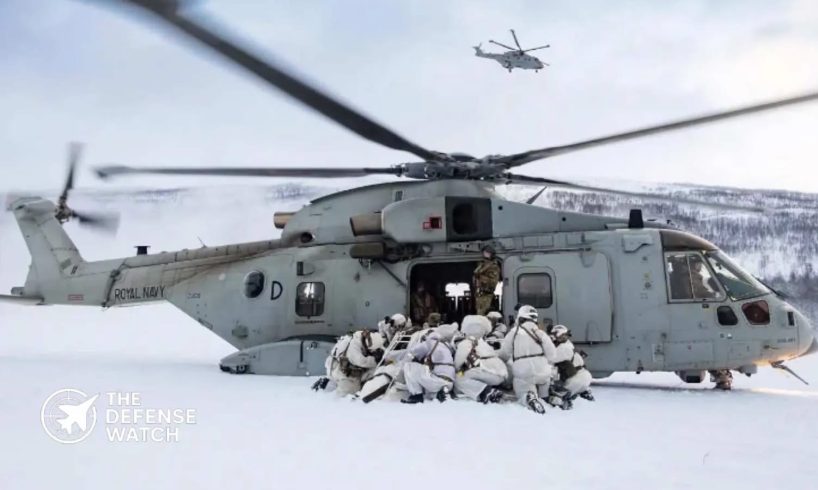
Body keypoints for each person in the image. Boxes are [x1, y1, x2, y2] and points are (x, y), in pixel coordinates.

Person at [499, 305, 556, 414]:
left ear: (520, 317)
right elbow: (552, 354)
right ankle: (546, 397)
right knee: (544, 381)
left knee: (522, 389)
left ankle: (529, 397)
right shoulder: (541, 333)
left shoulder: (513, 333)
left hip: (523, 372)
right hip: (542, 371)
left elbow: (504, 353)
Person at [453, 315, 508, 403]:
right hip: (500, 374)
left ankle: (486, 392)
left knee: (458, 378)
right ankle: (488, 388)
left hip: (487, 371)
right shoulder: (483, 342)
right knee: (469, 373)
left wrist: (456, 371)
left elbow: (458, 363)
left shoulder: (466, 342)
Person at [401, 323, 457, 404]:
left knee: (409, 366)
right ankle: (438, 394)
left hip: (437, 381)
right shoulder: (446, 345)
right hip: (450, 383)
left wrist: (407, 360)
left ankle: (416, 395)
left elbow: (412, 352)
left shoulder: (429, 342)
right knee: (428, 385)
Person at [326, 330, 386, 396]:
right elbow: (362, 361)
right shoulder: (354, 347)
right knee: (349, 393)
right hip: (343, 373)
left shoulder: (361, 338)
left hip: (348, 368)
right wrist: (376, 360)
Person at [549, 325, 592, 408]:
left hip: (576, 380)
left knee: (554, 395)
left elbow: (549, 359)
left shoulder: (563, 348)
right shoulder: (569, 345)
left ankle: (562, 402)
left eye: (554, 335)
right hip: (585, 377)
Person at [473, 245, 501, 315]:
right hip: (480, 294)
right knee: (479, 313)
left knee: (483, 314)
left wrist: (480, 278)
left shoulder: (494, 266)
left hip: (487, 294)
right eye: (484, 252)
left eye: (487, 252)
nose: (485, 254)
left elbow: (493, 282)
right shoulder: (482, 264)